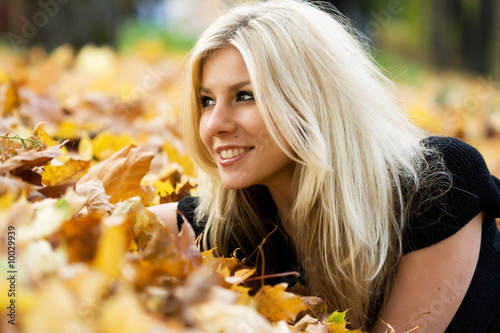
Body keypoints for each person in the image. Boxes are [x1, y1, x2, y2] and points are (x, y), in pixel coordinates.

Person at [148, 0, 500, 331]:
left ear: (312, 101)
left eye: (245, 95)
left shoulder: (439, 184)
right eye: (206, 100)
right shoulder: (238, 221)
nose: (214, 124)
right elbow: (113, 228)